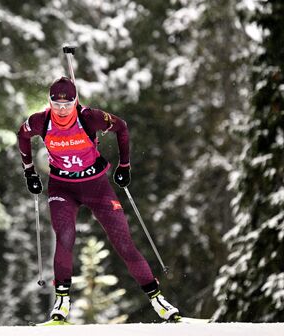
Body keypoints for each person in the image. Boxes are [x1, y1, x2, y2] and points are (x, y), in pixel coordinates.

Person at [17, 76, 180, 322]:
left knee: (123, 242)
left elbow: (122, 127)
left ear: (75, 102)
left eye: (67, 104)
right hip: (63, 188)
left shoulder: (90, 117)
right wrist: (29, 171)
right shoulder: (41, 121)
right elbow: (22, 135)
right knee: (65, 236)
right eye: (56, 104)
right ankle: (61, 303)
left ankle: (158, 300)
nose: (61, 109)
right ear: (49, 102)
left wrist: (124, 166)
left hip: (97, 186)